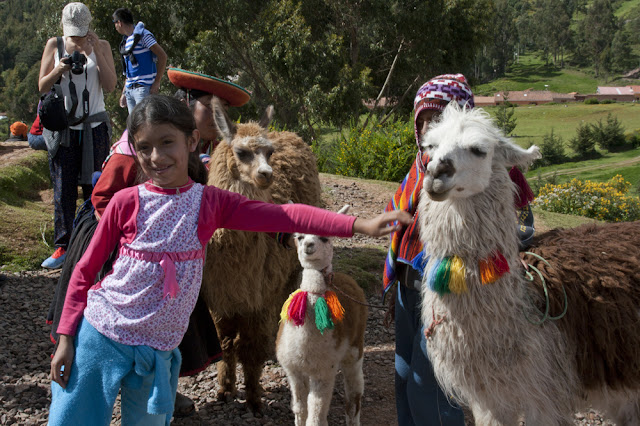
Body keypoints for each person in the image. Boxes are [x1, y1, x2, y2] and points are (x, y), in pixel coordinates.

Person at [48, 94, 411, 425]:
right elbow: (85, 269)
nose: (156, 157)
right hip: (102, 335)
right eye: (145, 147)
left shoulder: (209, 204)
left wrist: (361, 224)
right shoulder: (127, 203)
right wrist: (66, 337)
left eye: (167, 143)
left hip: (157, 351)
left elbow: (289, 217)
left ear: (191, 142)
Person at [384, 74, 536, 425]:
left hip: (452, 292)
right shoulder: (421, 169)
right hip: (409, 287)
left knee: (430, 390)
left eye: (437, 119)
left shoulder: (486, 172)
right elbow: (402, 231)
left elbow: (512, 237)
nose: (427, 128)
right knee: (404, 378)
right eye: (423, 120)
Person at [38, 2, 117, 269]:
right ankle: (63, 246)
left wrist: (93, 53)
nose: (76, 37)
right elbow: (42, 85)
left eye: (81, 32)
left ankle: (95, 244)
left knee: (96, 187)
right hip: (64, 129)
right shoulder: (54, 44)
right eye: (73, 33)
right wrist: (59, 70)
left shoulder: (101, 45)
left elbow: (109, 85)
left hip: (95, 127)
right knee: (63, 187)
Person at [113, 8, 167, 114]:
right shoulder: (127, 41)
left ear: (119, 23)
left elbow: (163, 56)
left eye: (114, 23)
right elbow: (129, 71)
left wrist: (157, 82)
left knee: (144, 124)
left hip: (143, 88)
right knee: (134, 126)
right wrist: (124, 92)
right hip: (130, 89)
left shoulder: (143, 35)